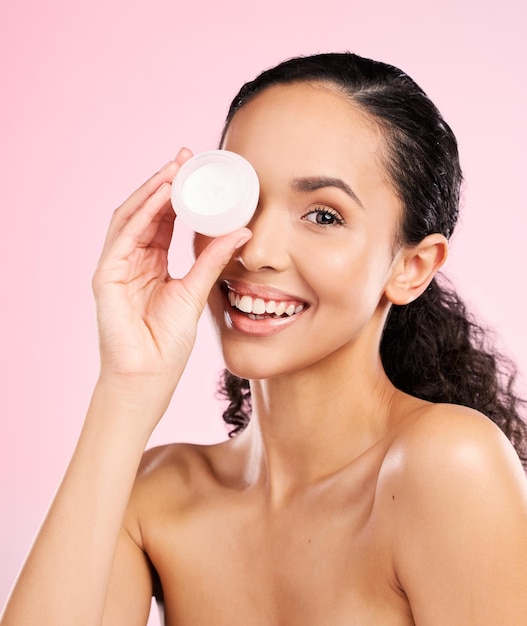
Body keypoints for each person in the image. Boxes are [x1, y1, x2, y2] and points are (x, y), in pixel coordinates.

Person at [2, 52, 527, 625]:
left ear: (412, 267)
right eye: (241, 199)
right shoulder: (158, 496)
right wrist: (127, 389)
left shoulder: (449, 466)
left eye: (323, 215)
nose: (253, 251)